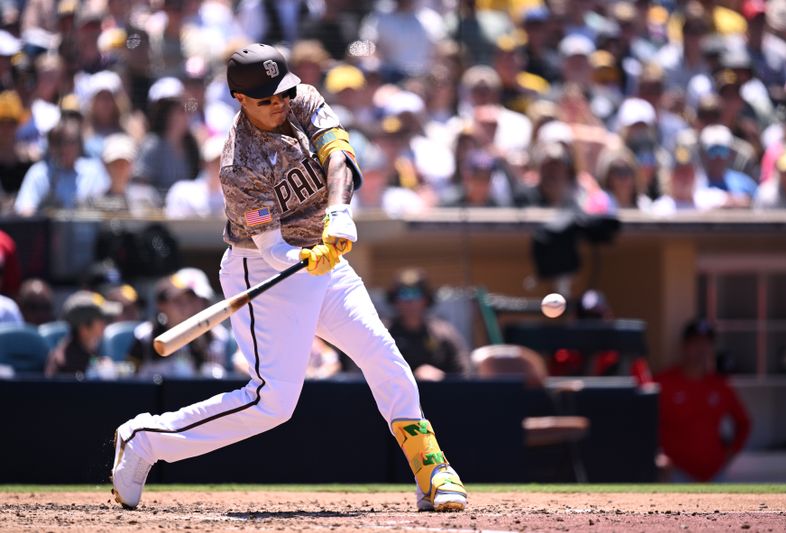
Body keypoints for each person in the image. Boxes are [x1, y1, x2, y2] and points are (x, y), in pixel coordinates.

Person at [111, 43, 466, 513]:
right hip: (262, 269)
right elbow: (272, 249)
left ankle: (432, 470)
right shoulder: (239, 164)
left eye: (281, 93)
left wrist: (338, 213)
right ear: (240, 99)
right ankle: (145, 440)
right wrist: (302, 254)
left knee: (383, 356)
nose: (279, 103)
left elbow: (339, 155)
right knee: (272, 403)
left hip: (323, 260)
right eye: (266, 99)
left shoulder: (299, 98)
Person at [654, 319, 751, 482]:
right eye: (696, 343)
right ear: (684, 346)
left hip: (714, 474)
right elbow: (641, 424)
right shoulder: (663, 382)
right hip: (676, 474)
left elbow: (744, 423)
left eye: (706, 344)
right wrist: (657, 455)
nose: (701, 349)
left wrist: (729, 454)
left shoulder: (720, 385)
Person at [386, 268, 470, 381]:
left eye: (416, 294)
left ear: (426, 299)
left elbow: (464, 369)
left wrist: (442, 377)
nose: (410, 301)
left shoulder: (443, 332)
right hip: (394, 395)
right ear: (395, 300)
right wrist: (412, 376)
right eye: (404, 294)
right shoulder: (383, 332)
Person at [44, 290, 120, 377]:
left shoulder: (88, 351)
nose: (105, 324)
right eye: (101, 320)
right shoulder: (64, 362)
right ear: (84, 328)